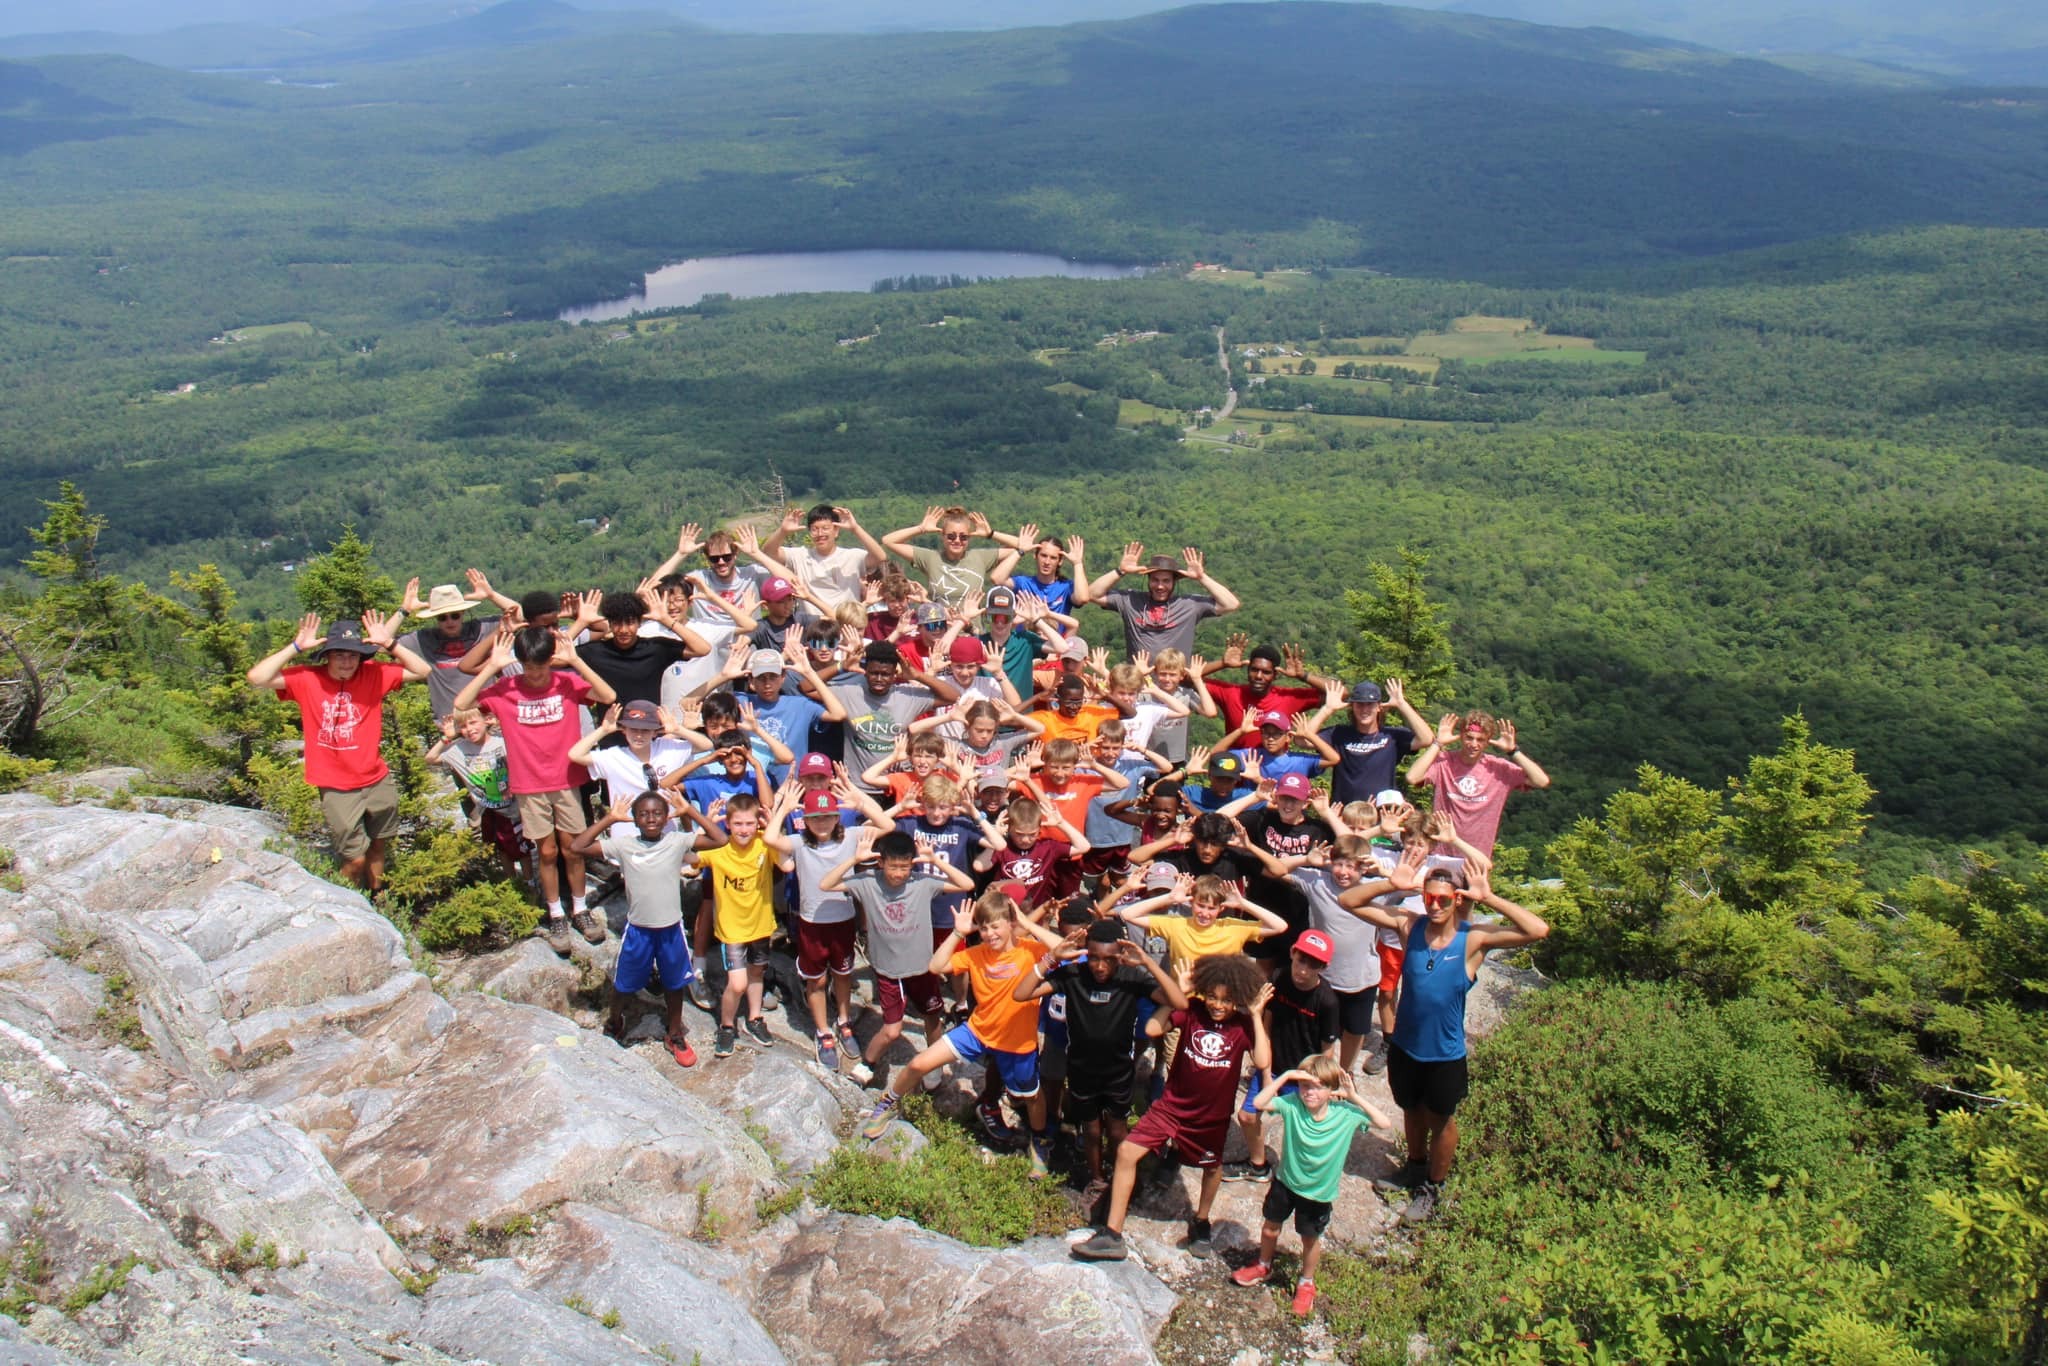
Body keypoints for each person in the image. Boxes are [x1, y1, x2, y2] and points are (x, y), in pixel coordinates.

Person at [1336, 865, 1549, 1223]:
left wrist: (1490, 898)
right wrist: (1392, 884)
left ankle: (1433, 1186)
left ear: (1457, 900)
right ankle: (1414, 1169)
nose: (1434, 905)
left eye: (1443, 899)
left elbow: (1537, 930)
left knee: (1441, 1120)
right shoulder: (1410, 926)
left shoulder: (1473, 940)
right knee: (1410, 1109)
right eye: (1428, 897)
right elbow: (1348, 900)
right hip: (1405, 1045)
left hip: (1444, 1053)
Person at [1071, 954, 1272, 1262]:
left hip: (1210, 1118)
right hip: (1171, 1107)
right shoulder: (1191, 1011)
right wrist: (1179, 994)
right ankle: (1112, 1233)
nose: (1218, 1005)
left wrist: (1256, 1015)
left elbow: (1261, 1061)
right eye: (1213, 997)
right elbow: (1152, 1028)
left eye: (1227, 1000)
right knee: (1126, 1152)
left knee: (1212, 1167)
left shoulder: (1243, 1026)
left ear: (1239, 1000)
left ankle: (1201, 1220)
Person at [861, 887, 1068, 1176]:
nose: (989, 934)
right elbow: (936, 966)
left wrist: (1028, 922)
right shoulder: (975, 954)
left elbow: (1068, 949)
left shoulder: (1031, 951)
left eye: (995, 926)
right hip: (977, 1031)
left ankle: (1039, 1140)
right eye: (983, 928)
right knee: (919, 1063)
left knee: (1031, 1096)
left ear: (1010, 924)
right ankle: (887, 1104)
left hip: (1017, 1042)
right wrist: (959, 933)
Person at [454, 624, 619, 952]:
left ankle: (580, 909)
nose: (536, 674)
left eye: (541, 666)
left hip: (567, 779)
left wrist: (575, 660)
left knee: (574, 849)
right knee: (546, 851)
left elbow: (608, 696)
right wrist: (492, 666)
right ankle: (556, 912)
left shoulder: (566, 682)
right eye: (529, 667)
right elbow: (461, 704)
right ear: (520, 662)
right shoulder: (505, 689)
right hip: (529, 784)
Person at [247, 613, 430, 893]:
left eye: (354, 655)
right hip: (336, 784)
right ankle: (349, 902)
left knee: (380, 843)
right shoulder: (308, 678)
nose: (347, 662)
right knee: (355, 857)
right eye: (340, 655)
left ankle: (378, 900)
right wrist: (295, 647)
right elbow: (257, 677)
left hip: (375, 777)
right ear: (328, 656)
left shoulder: (375, 674)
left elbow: (422, 671)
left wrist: (389, 643)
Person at [1012, 916, 1187, 1205]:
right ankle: (1096, 1179)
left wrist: (1147, 962)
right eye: (1093, 958)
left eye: (1108, 959)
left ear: (1120, 956)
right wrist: (1051, 958)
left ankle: (1123, 1174)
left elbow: (1179, 1003)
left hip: (1119, 1072)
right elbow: (1021, 993)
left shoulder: (1132, 979)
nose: (1100, 966)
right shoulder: (1073, 976)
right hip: (1081, 1070)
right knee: (1091, 1130)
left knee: (1118, 1129)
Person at [568, 789, 720, 1068]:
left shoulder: (677, 841)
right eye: (643, 814)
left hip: (671, 929)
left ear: (665, 818)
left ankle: (674, 1033)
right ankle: (614, 1021)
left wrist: (689, 811)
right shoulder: (624, 846)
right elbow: (577, 847)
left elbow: (719, 839)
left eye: (657, 813)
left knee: (675, 984)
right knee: (624, 983)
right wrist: (610, 819)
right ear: (635, 820)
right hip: (639, 930)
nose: (651, 818)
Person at [1232, 1055, 1394, 1316]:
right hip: (1285, 1183)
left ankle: (1307, 1282)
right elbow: (1259, 1103)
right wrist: (1285, 1077)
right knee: (1271, 1227)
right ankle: (1263, 1263)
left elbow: (1384, 1124)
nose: (1310, 1092)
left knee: (1309, 1238)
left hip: (1318, 1194)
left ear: (1331, 1090)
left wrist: (1353, 1096)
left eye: (1318, 1086)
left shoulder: (1346, 1114)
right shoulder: (1292, 1103)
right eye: (1305, 1085)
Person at [824, 827, 979, 1087]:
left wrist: (934, 861)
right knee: (892, 1029)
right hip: (889, 971)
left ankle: (933, 1064)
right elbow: (825, 884)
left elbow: (967, 884)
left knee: (932, 1016)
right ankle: (867, 1064)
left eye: (904, 867)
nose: (899, 873)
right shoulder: (867, 882)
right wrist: (854, 860)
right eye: (893, 867)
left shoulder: (922, 882)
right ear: (880, 862)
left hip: (923, 968)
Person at [1228, 929, 1341, 1185]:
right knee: (1247, 1116)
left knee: (1303, 1126)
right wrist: (1266, 1074)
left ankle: (1301, 1173)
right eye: (1301, 960)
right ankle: (1258, 1165)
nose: (1303, 970)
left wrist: (1321, 1085)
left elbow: (1327, 1051)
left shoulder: (1327, 1002)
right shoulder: (1279, 977)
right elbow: (1266, 1026)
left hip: (1304, 1073)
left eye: (1314, 965)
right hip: (1275, 1063)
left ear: (1323, 967)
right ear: (1292, 953)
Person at [1406, 711, 1551, 858]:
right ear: (1461, 736)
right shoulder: (1444, 762)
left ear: (1488, 741)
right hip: (1439, 854)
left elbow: (1541, 781)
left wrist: (1513, 751)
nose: (1473, 744)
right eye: (1469, 738)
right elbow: (1412, 777)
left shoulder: (1499, 769)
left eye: (1480, 740)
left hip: (1477, 858)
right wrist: (1438, 744)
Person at [1070, 538, 1239, 660]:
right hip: (1137, 685)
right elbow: (1091, 594)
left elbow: (1231, 604)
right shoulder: (1131, 601)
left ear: (1174, 582)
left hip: (1175, 686)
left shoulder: (1190, 605)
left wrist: (1202, 578)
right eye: (1155, 580)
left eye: (1166, 581)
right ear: (1148, 580)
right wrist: (1120, 571)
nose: (1160, 586)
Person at [827, 641, 961, 792]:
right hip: (857, 788)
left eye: (885, 674)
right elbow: (807, 687)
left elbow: (953, 696)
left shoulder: (907, 695)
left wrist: (917, 675)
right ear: (865, 672)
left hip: (895, 785)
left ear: (894, 675)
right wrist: (841, 667)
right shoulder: (849, 693)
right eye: (873, 673)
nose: (879, 678)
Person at [569, 585, 713, 722]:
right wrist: (581, 622)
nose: (624, 630)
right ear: (610, 624)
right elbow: (553, 656)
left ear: (639, 623)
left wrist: (666, 619)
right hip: (611, 733)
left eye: (630, 623)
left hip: (649, 731)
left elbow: (702, 649)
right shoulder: (595, 651)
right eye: (617, 623)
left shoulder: (656, 648)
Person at [425, 705, 528, 883]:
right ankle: (512, 883)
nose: (469, 729)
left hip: (512, 808)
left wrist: (500, 721)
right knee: (501, 848)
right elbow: (430, 758)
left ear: (485, 721)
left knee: (522, 848)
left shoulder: (502, 743)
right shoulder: (459, 751)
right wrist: (447, 738)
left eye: (473, 722)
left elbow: (524, 746)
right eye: (463, 726)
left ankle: (530, 883)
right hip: (487, 810)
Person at [399, 572, 512, 720]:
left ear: (463, 612)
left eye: (455, 615)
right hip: (448, 723)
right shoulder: (424, 639)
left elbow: (521, 616)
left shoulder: (482, 628)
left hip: (487, 718)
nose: (449, 621)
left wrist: (491, 595)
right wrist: (404, 610)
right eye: (442, 617)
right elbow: (380, 642)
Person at [567, 699, 696, 815]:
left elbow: (706, 745)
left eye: (645, 730)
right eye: (633, 729)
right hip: (625, 832)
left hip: (666, 831)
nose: (639, 736)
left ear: (655, 732)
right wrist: (603, 730)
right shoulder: (614, 756)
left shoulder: (667, 748)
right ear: (623, 730)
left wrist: (678, 730)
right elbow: (575, 755)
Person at [748, 505, 887, 611]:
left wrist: (855, 529)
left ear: (836, 530)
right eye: (814, 529)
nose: (820, 534)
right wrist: (783, 531)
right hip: (813, 629)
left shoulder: (852, 556)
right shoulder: (800, 555)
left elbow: (880, 557)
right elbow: (769, 552)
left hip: (847, 625)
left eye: (825, 528)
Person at [882, 506, 1020, 610]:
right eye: (951, 536)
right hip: (937, 633)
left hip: (973, 635)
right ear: (943, 536)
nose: (957, 540)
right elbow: (888, 541)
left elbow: (1021, 546)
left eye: (963, 537)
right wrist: (921, 528)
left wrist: (991, 534)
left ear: (969, 538)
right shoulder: (930, 558)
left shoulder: (980, 557)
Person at [1320, 678, 1431, 806]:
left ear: (1379, 707)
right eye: (1359, 704)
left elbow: (1426, 739)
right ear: (1352, 707)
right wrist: (1327, 709)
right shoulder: (1338, 733)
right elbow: (1302, 740)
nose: (1364, 709)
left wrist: (1401, 704)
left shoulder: (1392, 736)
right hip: (1343, 813)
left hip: (1381, 813)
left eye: (1370, 704)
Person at [1005, 522, 1073, 617]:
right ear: (1035, 555)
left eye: (1053, 558)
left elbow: (1082, 598)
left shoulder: (1066, 587)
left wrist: (1078, 564)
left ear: (1060, 561)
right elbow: (997, 579)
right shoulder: (1023, 583)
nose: (1047, 562)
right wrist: (1020, 551)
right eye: (1043, 555)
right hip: (1024, 632)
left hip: (1055, 632)